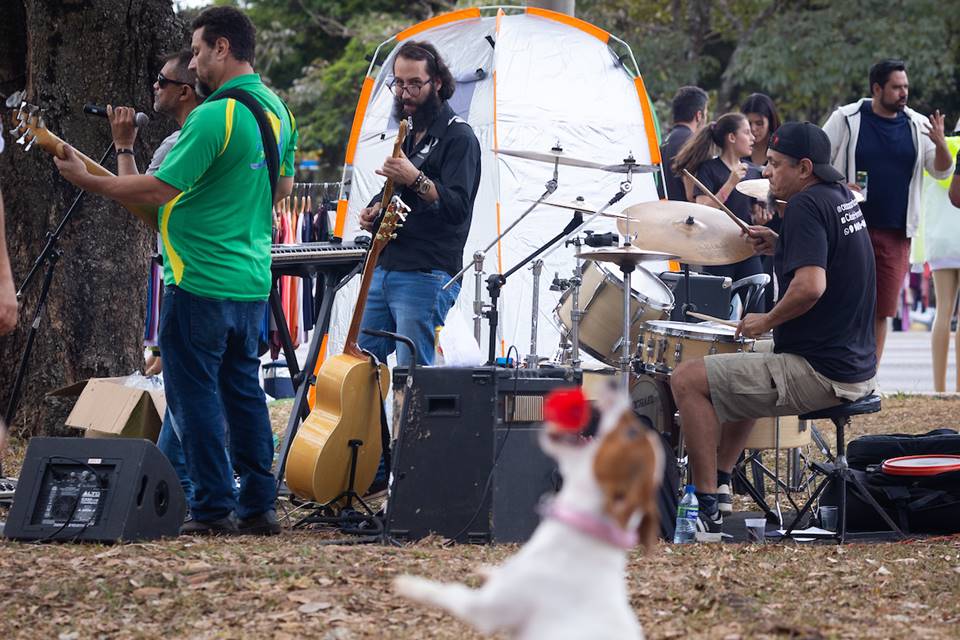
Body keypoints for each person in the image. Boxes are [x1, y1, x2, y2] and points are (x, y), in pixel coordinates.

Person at [53, 6, 298, 536]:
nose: (193, 61)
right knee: (245, 395)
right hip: (252, 281)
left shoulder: (215, 115)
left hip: (199, 282)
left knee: (195, 401)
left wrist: (88, 180)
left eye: (196, 51)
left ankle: (212, 508)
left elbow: (157, 189)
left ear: (222, 49)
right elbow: (280, 191)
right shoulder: (279, 112)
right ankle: (259, 505)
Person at [670, 122, 878, 540]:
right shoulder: (839, 198)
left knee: (686, 379)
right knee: (750, 361)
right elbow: (829, 262)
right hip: (852, 364)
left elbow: (811, 287)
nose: (765, 172)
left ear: (804, 168)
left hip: (823, 372)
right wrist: (780, 243)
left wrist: (765, 320)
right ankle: (725, 480)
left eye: (775, 165)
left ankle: (705, 507)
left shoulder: (803, 206)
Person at [108, 49, 204, 503]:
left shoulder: (186, 140)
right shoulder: (217, 133)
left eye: (162, 81)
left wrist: (120, 150)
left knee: (186, 391)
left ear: (185, 91)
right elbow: (146, 205)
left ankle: (166, 489)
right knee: (197, 389)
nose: (154, 88)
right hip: (206, 274)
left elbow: (141, 198)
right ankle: (177, 487)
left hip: (190, 276)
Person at [357, 41, 481, 367]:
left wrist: (416, 178)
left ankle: (409, 422)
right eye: (398, 83)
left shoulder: (460, 138)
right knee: (362, 366)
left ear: (437, 83)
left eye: (414, 83)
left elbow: (458, 207)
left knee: (412, 373)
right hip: (386, 265)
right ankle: (373, 421)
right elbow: (398, 191)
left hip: (426, 273)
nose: (404, 93)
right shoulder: (410, 133)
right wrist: (374, 210)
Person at [822, 59, 953, 362]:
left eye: (906, 86)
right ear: (877, 88)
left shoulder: (917, 124)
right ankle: (839, 367)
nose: (903, 93)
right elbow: (817, 158)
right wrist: (840, 185)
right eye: (896, 87)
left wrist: (941, 144)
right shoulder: (847, 118)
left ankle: (868, 375)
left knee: (882, 310)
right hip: (851, 229)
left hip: (896, 234)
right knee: (847, 302)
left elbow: (941, 171)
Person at [673, 112, 765, 287]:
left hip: (748, 249)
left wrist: (759, 219)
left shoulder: (752, 171)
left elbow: (752, 213)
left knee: (755, 301)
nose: (753, 138)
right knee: (719, 307)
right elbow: (703, 209)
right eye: (746, 132)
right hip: (717, 252)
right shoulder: (709, 169)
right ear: (731, 137)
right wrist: (731, 182)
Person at [742, 93, 783, 311]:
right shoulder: (740, 156)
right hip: (747, 228)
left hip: (778, 223)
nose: (754, 129)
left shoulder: (781, 151)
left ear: (771, 122)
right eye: (749, 123)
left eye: (760, 123)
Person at [926, 133, 960, 391]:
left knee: (943, 313)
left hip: (939, 240)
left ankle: (938, 388)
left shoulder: (938, 151)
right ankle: (959, 387)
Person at [659, 86, 709, 201]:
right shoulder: (693, 142)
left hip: (663, 213)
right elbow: (692, 195)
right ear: (699, 115)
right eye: (706, 113)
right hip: (686, 215)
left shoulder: (665, 140)